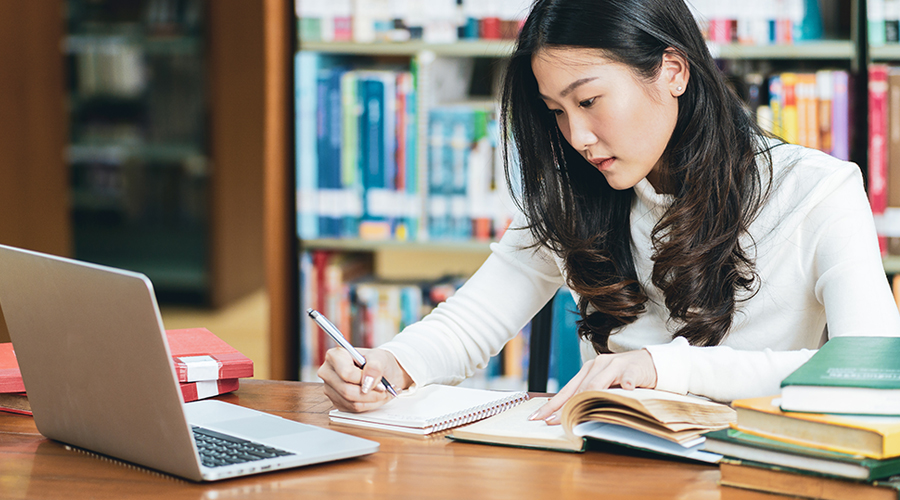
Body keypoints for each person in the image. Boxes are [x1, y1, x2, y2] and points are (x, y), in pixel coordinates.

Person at [317, 0, 900, 423]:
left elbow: (872, 373)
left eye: (590, 101)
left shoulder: (817, 192)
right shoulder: (580, 192)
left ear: (673, 71)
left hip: (757, 467)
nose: (578, 136)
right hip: (611, 464)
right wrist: (391, 364)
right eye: (556, 111)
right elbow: (471, 322)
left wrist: (662, 368)